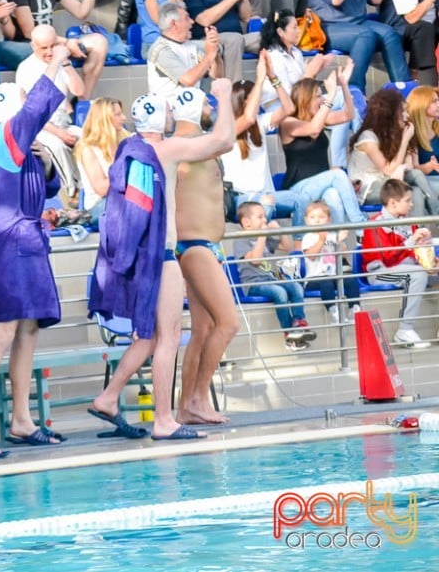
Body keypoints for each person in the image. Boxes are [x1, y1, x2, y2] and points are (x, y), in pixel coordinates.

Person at [88, 79, 236, 440]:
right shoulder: (165, 151)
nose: (173, 117)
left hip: (142, 254)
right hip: (163, 254)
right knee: (170, 335)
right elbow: (224, 140)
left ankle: (108, 398)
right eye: (168, 113)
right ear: (160, 120)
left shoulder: (130, 148)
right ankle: (165, 420)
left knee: (149, 336)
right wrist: (224, 96)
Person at [0, 43, 70, 447]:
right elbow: (35, 113)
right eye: (24, 100)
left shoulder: (18, 145)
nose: (30, 105)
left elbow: (46, 185)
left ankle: (21, 419)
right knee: (0, 334)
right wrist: (57, 62)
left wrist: (46, 160)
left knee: (28, 330)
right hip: (9, 240)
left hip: (27, 239)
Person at [170, 88, 238, 425]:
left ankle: (188, 405)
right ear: (195, 109)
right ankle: (197, 397)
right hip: (194, 246)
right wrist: (225, 96)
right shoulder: (185, 146)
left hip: (204, 245)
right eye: (208, 104)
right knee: (229, 323)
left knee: (204, 328)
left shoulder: (194, 145)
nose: (212, 108)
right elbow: (227, 139)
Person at [6, 0, 108, 100]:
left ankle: (83, 103)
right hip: (32, 46)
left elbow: (81, 12)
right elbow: (28, 32)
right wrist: (66, 42)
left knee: (99, 42)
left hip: (54, 44)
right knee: (61, 48)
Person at [259, 9, 355, 167]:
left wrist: (318, 71)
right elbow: (290, 94)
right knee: (336, 97)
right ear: (281, 32)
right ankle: (345, 159)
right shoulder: (273, 56)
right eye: (294, 27)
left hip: (300, 101)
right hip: (280, 106)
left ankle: (342, 161)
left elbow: (305, 88)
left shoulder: (296, 52)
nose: (299, 31)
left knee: (346, 96)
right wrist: (310, 73)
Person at [278, 66, 368, 231]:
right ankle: (361, 226)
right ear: (305, 100)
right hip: (298, 188)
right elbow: (313, 130)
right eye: (318, 96)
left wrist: (344, 85)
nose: (321, 100)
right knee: (338, 174)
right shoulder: (287, 123)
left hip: (323, 184)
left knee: (334, 197)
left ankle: (336, 249)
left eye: (322, 96)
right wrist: (331, 95)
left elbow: (348, 115)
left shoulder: (318, 119)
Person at [220, 52, 298, 221]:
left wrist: (272, 77)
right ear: (244, 103)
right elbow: (247, 118)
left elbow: (289, 108)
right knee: (266, 203)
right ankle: (259, 245)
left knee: (301, 200)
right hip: (240, 198)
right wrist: (260, 78)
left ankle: (299, 245)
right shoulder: (226, 129)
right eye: (255, 98)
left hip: (266, 194)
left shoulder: (260, 122)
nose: (259, 102)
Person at [361, 179, 434, 349]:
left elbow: (412, 254)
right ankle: (405, 330)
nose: (412, 204)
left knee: (429, 272)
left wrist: (430, 262)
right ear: (393, 203)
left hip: (405, 268)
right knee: (417, 275)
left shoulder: (408, 223)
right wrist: (412, 240)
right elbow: (387, 257)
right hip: (380, 272)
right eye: (407, 201)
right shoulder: (376, 224)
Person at [234, 201, 316, 351]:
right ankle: (289, 334)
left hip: (271, 279)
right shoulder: (241, 239)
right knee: (280, 293)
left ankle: (299, 322)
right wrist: (262, 237)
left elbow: (288, 247)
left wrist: (280, 230)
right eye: (260, 217)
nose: (265, 220)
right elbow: (256, 260)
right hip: (253, 284)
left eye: (264, 217)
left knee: (295, 287)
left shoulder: (263, 238)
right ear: (247, 223)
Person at [16, 24, 84, 203]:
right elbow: (30, 113)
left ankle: (90, 189)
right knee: (58, 147)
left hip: (64, 121)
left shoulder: (61, 61)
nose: (49, 52)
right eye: (43, 48)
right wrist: (59, 133)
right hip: (41, 127)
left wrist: (66, 63)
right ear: (33, 47)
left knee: (90, 139)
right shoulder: (26, 68)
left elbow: (79, 91)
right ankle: (72, 193)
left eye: (52, 46)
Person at [348, 88, 439, 217]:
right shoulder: (368, 138)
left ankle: (420, 231)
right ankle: (434, 219)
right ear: (390, 116)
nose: (407, 115)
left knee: (416, 183)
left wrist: (406, 143)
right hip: (369, 188)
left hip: (389, 180)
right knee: (413, 192)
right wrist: (405, 139)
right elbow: (389, 170)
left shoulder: (393, 134)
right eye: (403, 112)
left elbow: (409, 168)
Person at [146, 0, 223, 102]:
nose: (192, 21)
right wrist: (209, 55)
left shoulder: (191, 46)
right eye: (187, 18)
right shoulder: (161, 50)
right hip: (170, 112)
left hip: (193, 108)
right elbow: (188, 80)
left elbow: (217, 75)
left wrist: (215, 52)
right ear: (174, 24)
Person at [301, 200, 362, 324]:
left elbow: (343, 254)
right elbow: (311, 256)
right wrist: (321, 240)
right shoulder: (308, 237)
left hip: (333, 275)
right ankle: (334, 312)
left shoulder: (332, 235)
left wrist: (340, 241)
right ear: (307, 220)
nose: (317, 221)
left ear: (329, 219)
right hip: (315, 278)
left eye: (321, 217)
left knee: (351, 280)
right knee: (326, 283)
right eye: (313, 217)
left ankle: (354, 309)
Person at [75, 97, 130, 224]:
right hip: (100, 207)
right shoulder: (87, 149)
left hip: (123, 200)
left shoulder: (126, 140)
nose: (124, 118)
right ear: (104, 120)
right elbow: (101, 188)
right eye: (118, 114)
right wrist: (130, 170)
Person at [406, 84, 439, 196]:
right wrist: (431, 166)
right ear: (421, 105)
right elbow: (414, 169)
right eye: (434, 101)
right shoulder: (411, 132)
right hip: (425, 181)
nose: (438, 104)